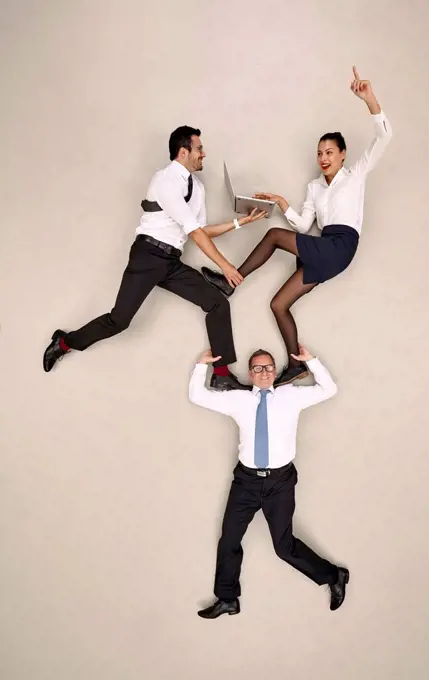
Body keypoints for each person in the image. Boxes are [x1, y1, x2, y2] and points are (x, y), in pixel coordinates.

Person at [202, 67, 393, 387]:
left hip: (341, 245)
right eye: (320, 153)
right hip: (323, 248)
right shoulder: (315, 187)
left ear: (343, 155)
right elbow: (304, 225)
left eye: (330, 152)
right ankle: (296, 364)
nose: (323, 157)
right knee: (278, 304)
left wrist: (369, 99)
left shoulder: (356, 175)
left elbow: (384, 136)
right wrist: (279, 201)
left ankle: (230, 282)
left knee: (275, 235)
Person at [43, 126, 266, 390]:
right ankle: (65, 343)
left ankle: (221, 375)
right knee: (119, 321)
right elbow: (195, 232)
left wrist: (241, 223)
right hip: (147, 256)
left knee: (217, 303)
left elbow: (202, 230)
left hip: (171, 261)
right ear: (183, 152)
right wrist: (226, 266)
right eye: (199, 149)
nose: (203, 154)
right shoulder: (165, 180)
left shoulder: (198, 187)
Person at [189, 345, 348, 619]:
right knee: (229, 540)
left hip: (280, 482)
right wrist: (201, 365)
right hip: (246, 482)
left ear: (275, 371)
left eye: (269, 367)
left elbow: (329, 389)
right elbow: (197, 396)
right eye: (258, 368)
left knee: (283, 547)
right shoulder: (237, 399)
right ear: (250, 374)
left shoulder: (291, 396)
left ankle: (334, 575)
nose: (264, 372)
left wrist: (312, 361)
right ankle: (228, 599)